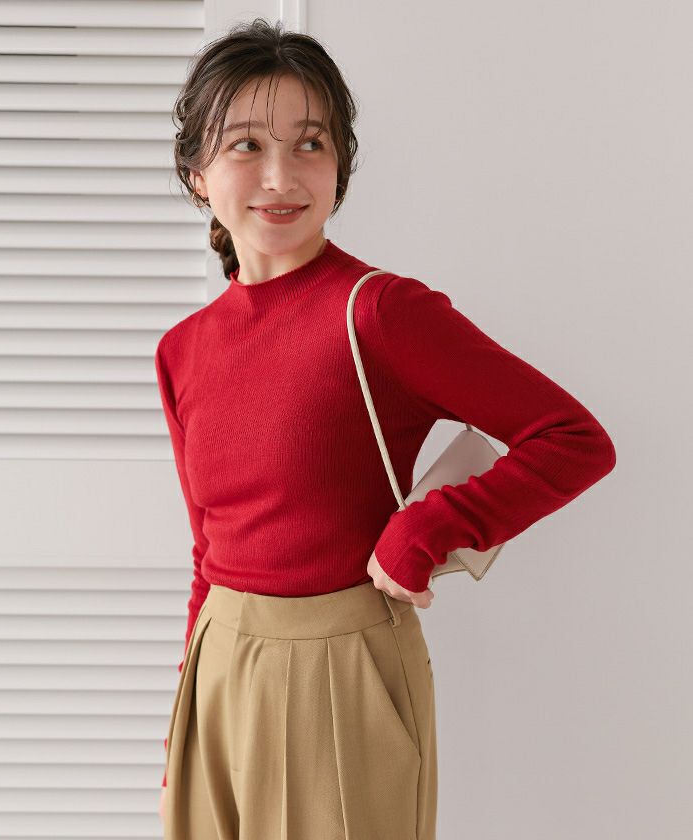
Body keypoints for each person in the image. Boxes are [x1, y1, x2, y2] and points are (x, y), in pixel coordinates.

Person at [155, 17, 616, 839]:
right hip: (217, 673)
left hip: (343, 673)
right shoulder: (183, 350)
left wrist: (428, 528)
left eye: (310, 144)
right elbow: (209, 549)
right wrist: (184, 713)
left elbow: (574, 438)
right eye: (246, 145)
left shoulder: (379, 312)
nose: (281, 175)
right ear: (197, 173)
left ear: (339, 167)